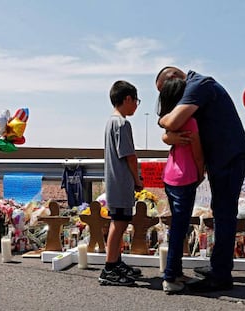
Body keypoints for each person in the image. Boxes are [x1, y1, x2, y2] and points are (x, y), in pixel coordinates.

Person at [156, 67, 245, 292]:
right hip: (222, 158)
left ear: (174, 79)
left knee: (224, 212)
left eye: (165, 90)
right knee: (220, 210)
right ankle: (219, 267)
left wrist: (164, 125)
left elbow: (172, 122)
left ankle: (220, 275)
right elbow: (170, 129)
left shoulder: (198, 86)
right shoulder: (195, 88)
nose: (168, 96)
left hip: (229, 157)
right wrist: (167, 132)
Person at [157, 78, 205, 294]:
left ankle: (175, 271)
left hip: (170, 177)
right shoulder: (191, 122)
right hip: (186, 178)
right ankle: (169, 277)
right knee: (180, 229)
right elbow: (196, 152)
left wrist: (168, 138)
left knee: (177, 227)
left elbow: (164, 134)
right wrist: (201, 171)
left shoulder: (169, 121)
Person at [98, 80, 144, 286]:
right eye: (136, 101)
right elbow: (130, 156)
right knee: (120, 222)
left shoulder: (111, 121)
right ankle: (109, 268)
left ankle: (115, 262)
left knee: (118, 221)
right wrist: (137, 179)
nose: (136, 105)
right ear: (127, 99)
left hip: (113, 180)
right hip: (122, 181)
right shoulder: (123, 124)